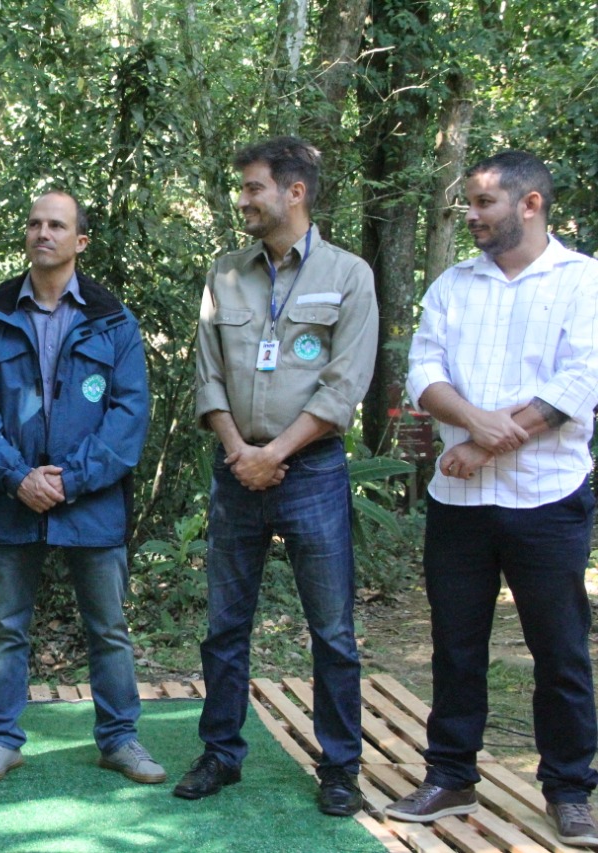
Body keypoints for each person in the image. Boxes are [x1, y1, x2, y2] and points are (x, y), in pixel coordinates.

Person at [385, 151, 598, 848]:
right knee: (456, 645)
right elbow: (424, 372)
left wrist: (482, 446)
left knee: (560, 651)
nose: (471, 215)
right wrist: (475, 425)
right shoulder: (453, 284)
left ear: (530, 204)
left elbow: (578, 384)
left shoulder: (583, 281)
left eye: (483, 203)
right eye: (469, 203)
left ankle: (569, 789)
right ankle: (450, 776)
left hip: (548, 498)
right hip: (459, 502)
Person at [178, 137, 377, 816]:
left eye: (253, 187)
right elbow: (207, 374)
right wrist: (240, 450)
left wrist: (276, 453)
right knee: (224, 626)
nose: (243, 200)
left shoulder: (349, 275)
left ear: (294, 192)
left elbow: (344, 383)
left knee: (333, 631)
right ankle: (220, 753)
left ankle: (340, 767)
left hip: (312, 471)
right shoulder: (225, 273)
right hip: (236, 469)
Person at [0, 191, 164, 787]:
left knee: (109, 629)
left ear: (80, 241)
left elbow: (128, 418)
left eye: (57, 225)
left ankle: (119, 740)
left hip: (92, 504)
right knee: (6, 629)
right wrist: (18, 476)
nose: (43, 232)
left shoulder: (114, 321)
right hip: (12, 499)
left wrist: (70, 479)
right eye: (34, 223)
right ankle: (1, 742)